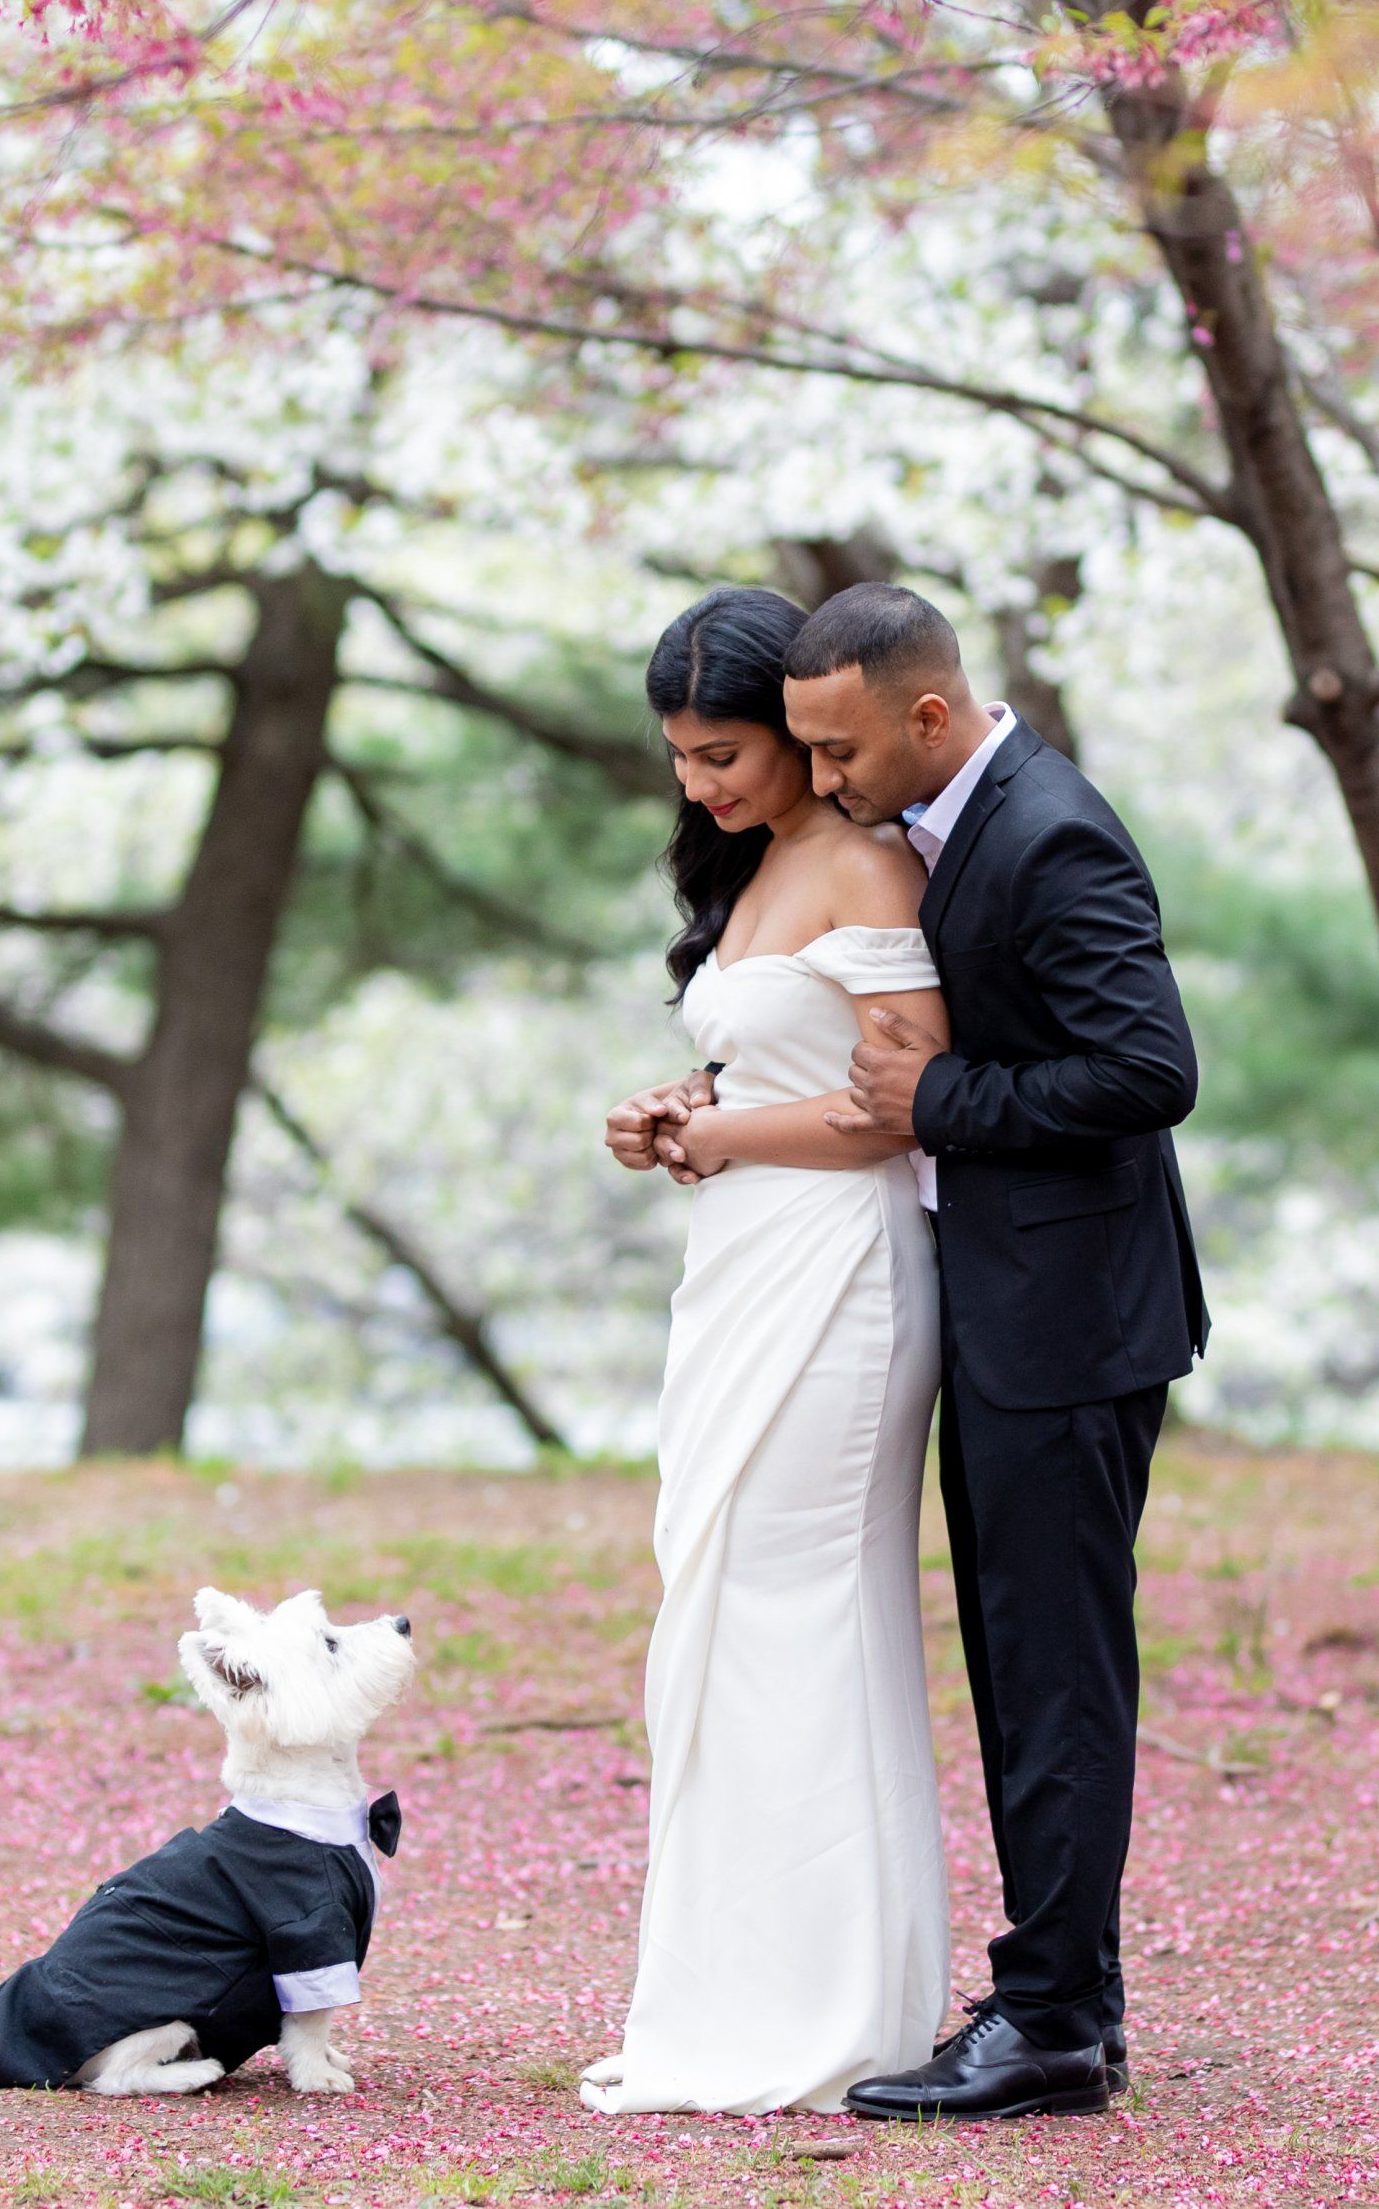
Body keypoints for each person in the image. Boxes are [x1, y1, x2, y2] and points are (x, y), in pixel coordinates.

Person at [777, 582, 1208, 2122]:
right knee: (1029, 1673)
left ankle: (1044, 2024)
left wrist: (941, 1102)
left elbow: (1152, 1069)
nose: (825, 780)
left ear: (929, 717)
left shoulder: (1047, 831)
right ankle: (1068, 2003)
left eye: (838, 750)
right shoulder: (964, 820)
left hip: (1076, 1325)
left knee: (1057, 1677)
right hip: (1020, 1315)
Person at [586, 585, 951, 2117]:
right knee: (721, 1608)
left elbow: (908, 1091)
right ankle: (731, 1993)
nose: (702, 785)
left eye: (723, 751)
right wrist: (680, 1107)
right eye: (681, 757)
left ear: (803, 728)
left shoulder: (865, 859)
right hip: (744, 1263)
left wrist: (720, 1131)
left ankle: (841, 2009)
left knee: (799, 1610)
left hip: (841, 1271)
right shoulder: (761, 864)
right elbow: (787, 1057)